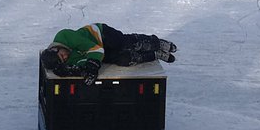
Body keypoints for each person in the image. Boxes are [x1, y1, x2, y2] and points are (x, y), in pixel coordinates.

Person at [40, 24, 177, 85]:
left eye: (62, 55)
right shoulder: (66, 60)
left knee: (122, 43)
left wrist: (92, 66)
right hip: (99, 52)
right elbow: (81, 62)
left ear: (56, 49)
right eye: (63, 61)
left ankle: (156, 43)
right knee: (125, 60)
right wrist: (80, 71)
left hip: (100, 34)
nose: (65, 58)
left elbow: (95, 49)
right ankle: (154, 54)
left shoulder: (64, 36)